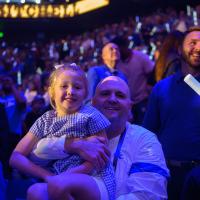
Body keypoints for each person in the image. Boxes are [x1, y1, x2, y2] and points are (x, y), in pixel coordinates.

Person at [30, 76, 169, 200]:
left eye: (120, 95)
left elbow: (149, 195)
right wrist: (69, 145)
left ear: (130, 107)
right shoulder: (73, 130)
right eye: (105, 94)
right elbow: (34, 158)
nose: (112, 99)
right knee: (37, 192)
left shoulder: (144, 139)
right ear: (93, 103)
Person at [9, 64, 115, 200]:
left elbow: (100, 156)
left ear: (85, 93)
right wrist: (47, 175)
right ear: (52, 91)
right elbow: (16, 158)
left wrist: (66, 176)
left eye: (77, 87)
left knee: (58, 184)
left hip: (94, 178)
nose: (71, 91)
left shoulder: (90, 115)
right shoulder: (45, 120)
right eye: (64, 86)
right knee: (34, 191)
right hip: (57, 180)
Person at [143, 26, 200, 200]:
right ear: (179, 49)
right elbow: (148, 133)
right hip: (167, 175)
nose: (198, 48)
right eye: (193, 43)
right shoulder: (161, 88)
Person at [112, 36, 154, 125]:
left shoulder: (140, 57)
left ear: (125, 46)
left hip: (143, 100)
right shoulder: (116, 62)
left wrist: (148, 90)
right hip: (127, 102)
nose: (116, 52)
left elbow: (152, 73)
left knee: (145, 126)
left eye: (118, 49)